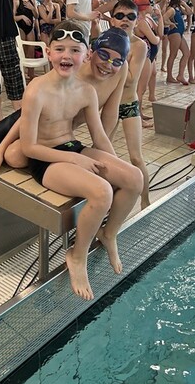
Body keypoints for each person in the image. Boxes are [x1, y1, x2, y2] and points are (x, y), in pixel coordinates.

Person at [20, 25, 142, 300]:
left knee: (134, 178)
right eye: (60, 49)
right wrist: (73, 158)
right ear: (49, 53)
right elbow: (28, 147)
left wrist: (117, 167)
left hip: (72, 148)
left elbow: (99, 137)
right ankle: (76, 255)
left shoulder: (86, 91)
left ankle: (108, 233)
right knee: (102, 192)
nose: (67, 56)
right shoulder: (36, 91)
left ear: (86, 55)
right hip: (45, 159)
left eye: (75, 50)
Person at [110, 0, 150, 208]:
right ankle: (109, 198)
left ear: (137, 20)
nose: (125, 20)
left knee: (136, 157)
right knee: (103, 153)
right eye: (119, 16)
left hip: (128, 105)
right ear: (112, 20)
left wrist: (114, 55)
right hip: (109, 106)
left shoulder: (139, 46)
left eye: (130, 16)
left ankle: (145, 202)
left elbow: (131, 79)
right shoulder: (104, 41)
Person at [163, 0, 190, 85]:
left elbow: (189, 12)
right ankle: (169, 76)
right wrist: (171, 24)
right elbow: (163, 18)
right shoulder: (171, 9)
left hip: (179, 33)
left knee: (187, 53)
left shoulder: (178, 8)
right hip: (174, 33)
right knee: (173, 54)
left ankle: (180, 75)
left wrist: (184, 4)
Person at [14, 0, 39, 80]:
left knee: (31, 51)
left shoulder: (32, 0)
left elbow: (37, 16)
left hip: (30, 28)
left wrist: (33, 8)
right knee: (22, 52)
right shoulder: (16, 1)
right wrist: (22, 17)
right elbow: (12, 17)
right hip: (20, 27)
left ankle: (31, 74)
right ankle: (22, 73)